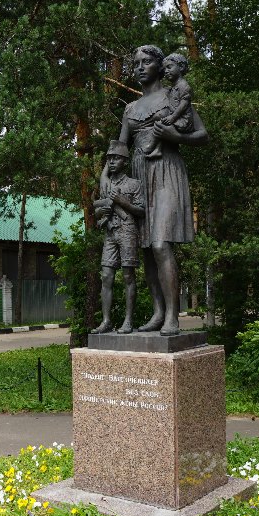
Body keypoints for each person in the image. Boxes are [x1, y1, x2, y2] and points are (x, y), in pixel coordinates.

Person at [118, 44, 209, 335]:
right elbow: (121, 148)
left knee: (160, 243)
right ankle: (158, 312)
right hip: (140, 174)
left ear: (160, 65)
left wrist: (172, 135)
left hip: (167, 170)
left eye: (146, 62)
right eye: (136, 63)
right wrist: (108, 181)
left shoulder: (175, 95)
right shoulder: (130, 109)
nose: (140, 67)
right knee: (145, 247)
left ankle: (173, 315)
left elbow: (202, 134)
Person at [91, 141, 144, 334]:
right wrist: (102, 212)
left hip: (127, 230)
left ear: (124, 161)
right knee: (106, 276)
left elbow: (141, 210)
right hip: (110, 232)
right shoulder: (106, 185)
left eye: (115, 158)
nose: (111, 162)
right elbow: (97, 213)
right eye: (109, 159)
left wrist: (123, 202)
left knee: (128, 275)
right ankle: (106, 321)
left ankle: (128, 321)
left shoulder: (134, 184)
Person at [139, 52, 194, 160]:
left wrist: (172, 117)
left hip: (183, 120)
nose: (166, 71)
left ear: (181, 67)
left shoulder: (183, 86)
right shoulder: (173, 88)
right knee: (161, 125)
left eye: (169, 67)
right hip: (176, 118)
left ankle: (151, 147)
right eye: (165, 69)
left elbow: (184, 104)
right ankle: (158, 149)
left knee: (160, 125)